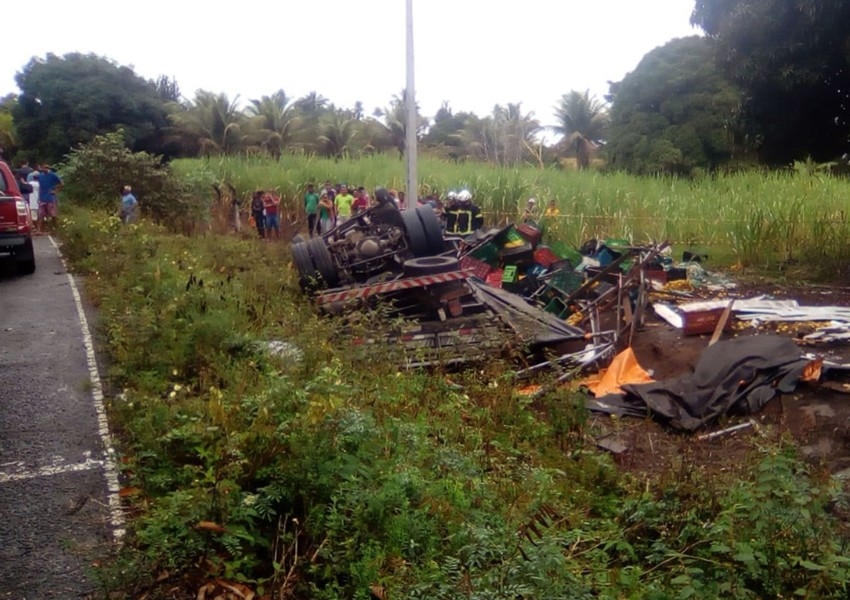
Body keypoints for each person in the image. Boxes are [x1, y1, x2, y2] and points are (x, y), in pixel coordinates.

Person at [36, 164, 62, 234]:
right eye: (44, 168)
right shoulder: (40, 176)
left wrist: (55, 191)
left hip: (50, 197)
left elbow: (61, 183)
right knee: (41, 215)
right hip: (42, 198)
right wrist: (38, 197)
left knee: (53, 215)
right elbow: (40, 187)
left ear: (49, 169)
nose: (45, 169)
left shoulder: (53, 175)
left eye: (46, 168)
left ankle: (56, 229)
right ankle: (40, 230)